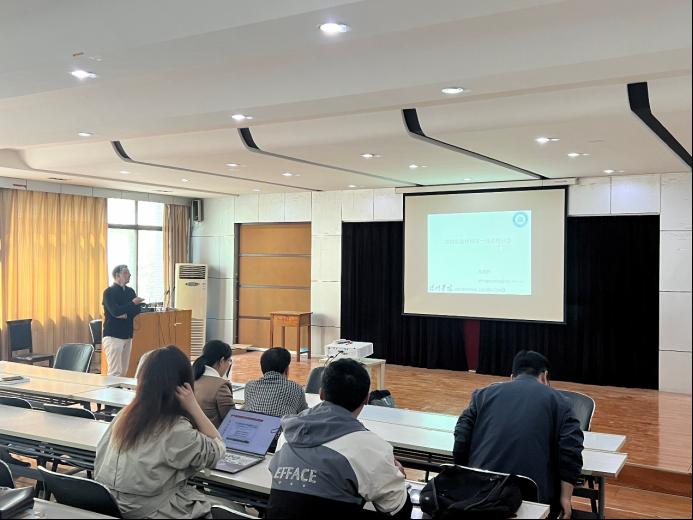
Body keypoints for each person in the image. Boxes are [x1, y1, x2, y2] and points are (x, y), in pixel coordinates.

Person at [267, 358, 412, 519]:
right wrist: (393, 475)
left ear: (321, 393)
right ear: (366, 399)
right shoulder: (371, 448)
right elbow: (398, 510)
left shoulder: (287, 434)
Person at [94, 346, 226, 519]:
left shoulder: (124, 415)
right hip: (149, 511)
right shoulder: (174, 427)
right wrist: (194, 407)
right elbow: (217, 450)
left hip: (110, 505)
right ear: (184, 385)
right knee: (227, 508)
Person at [453, 350, 584, 519]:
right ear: (544, 376)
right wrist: (566, 498)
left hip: (478, 492)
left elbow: (461, 438)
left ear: (512, 377)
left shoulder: (482, 395)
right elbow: (571, 451)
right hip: (531, 497)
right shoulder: (561, 402)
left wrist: (465, 475)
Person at [102, 265, 144, 376]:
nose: (129, 275)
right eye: (125, 273)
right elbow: (115, 311)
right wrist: (132, 303)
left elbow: (137, 310)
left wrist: (124, 313)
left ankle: (120, 388)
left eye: (128, 273)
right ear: (117, 275)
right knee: (115, 372)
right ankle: (111, 389)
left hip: (127, 335)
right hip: (113, 336)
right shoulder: (108, 292)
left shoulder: (130, 291)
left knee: (124, 371)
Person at [243, 347, 308, 418]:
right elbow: (305, 416)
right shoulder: (295, 388)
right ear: (286, 369)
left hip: (253, 424)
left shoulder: (249, 386)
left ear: (262, 368)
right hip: (281, 425)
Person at [193, 340, 235, 427]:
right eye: (229, 361)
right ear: (222, 361)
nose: (229, 364)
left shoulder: (191, 378)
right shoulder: (221, 385)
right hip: (213, 434)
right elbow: (232, 419)